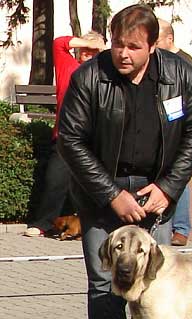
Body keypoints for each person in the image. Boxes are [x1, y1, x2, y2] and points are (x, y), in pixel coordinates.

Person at [57, 4, 192, 319]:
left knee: (153, 283)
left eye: (134, 47)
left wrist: (169, 188)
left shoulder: (180, 75)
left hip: (155, 188)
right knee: (104, 282)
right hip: (99, 191)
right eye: (118, 45)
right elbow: (71, 140)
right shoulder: (90, 77)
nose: (123, 54)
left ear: (153, 46)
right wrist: (111, 195)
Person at [24, 32, 105, 237]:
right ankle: (44, 223)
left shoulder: (104, 73)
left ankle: (86, 226)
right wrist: (89, 42)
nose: (89, 52)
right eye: (86, 48)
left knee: (89, 184)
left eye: (95, 50)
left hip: (93, 138)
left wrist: (102, 50)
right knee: (55, 179)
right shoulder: (68, 66)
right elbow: (59, 43)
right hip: (65, 135)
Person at [156, 18, 192, 246]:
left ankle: (181, 228)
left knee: (178, 177)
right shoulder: (160, 59)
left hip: (178, 128)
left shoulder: (183, 62)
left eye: (157, 39)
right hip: (163, 129)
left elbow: (184, 102)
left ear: (169, 39)